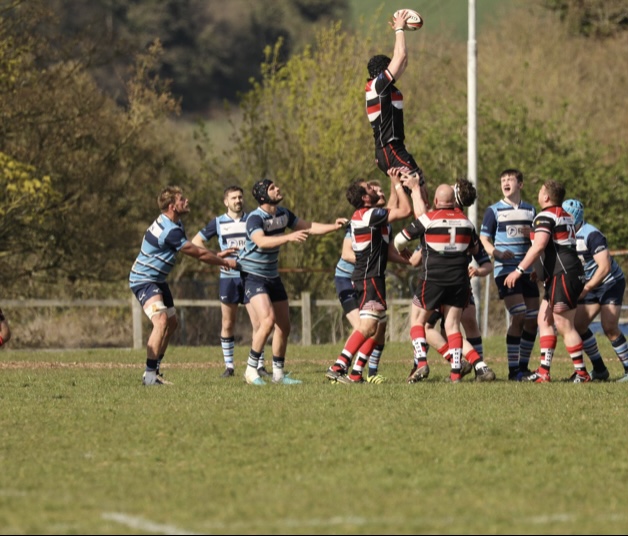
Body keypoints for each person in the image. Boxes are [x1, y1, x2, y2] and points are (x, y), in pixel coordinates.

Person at [238, 179, 347, 386]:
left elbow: (309, 227)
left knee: (284, 326)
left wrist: (335, 226)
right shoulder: (255, 218)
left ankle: (278, 374)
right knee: (267, 321)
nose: (278, 189)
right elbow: (261, 241)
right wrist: (288, 238)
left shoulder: (283, 214)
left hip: (272, 275)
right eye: (272, 188)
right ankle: (251, 371)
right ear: (262, 196)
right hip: (252, 275)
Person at [129, 186, 237, 386]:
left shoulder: (174, 224)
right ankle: (150, 376)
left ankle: (155, 371)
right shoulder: (169, 230)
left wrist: (216, 254)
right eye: (182, 199)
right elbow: (198, 253)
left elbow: (196, 249)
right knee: (161, 322)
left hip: (158, 280)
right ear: (172, 206)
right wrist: (225, 262)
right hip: (143, 279)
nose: (186, 201)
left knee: (171, 324)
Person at [326, 169, 412, 384]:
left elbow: (391, 210)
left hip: (373, 276)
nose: (374, 189)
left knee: (378, 325)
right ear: (364, 197)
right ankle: (338, 367)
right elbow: (406, 210)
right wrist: (398, 184)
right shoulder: (369, 215)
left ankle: (356, 373)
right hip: (369, 277)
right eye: (370, 188)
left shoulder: (369, 215)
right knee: (366, 327)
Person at [407, 178, 495, 382]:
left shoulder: (435, 221)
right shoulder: (465, 223)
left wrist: (414, 190)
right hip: (458, 283)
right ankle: (477, 366)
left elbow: (415, 255)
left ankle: (432, 363)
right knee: (460, 324)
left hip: (437, 282)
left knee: (426, 326)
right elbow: (482, 257)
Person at [504, 180, 590, 383]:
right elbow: (557, 247)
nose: (538, 193)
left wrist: (519, 270)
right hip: (562, 273)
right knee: (544, 319)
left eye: (541, 190)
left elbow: (540, 245)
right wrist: (539, 270)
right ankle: (544, 371)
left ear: (546, 197)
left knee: (564, 324)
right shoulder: (565, 216)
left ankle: (582, 373)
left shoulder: (545, 215)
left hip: (563, 275)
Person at [192, 186, 269, 378]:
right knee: (228, 322)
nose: (238, 200)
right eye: (234, 198)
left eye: (240, 197)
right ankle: (229, 367)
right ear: (226, 201)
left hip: (250, 276)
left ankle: (259, 365)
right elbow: (195, 242)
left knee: (259, 322)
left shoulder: (253, 219)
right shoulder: (218, 222)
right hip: (228, 279)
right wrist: (217, 256)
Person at [480, 169, 539, 381]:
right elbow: (484, 239)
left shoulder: (531, 211)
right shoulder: (493, 211)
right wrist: (495, 252)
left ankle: (523, 368)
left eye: (510, 179)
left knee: (533, 320)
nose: (505, 182)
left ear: (520, 184)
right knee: (520, 314)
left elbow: (537, 242)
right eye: (502, 179)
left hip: (527, 271)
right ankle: (514, 371)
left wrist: (537, 269)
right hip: (505, 270)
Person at [365, 10, 428, 204]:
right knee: (419, 188)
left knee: (419, 192)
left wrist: (402, 33)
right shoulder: (377, 85)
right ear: (383, 71)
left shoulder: (384, 88)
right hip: (389, 148)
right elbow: (399, 57)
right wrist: (399, 28)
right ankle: (427, 231)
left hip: (394, 148)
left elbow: (403, 60)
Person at [562, 199, 628, 383]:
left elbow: (605, 267)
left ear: (573, 218)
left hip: (609, 283)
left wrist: (587, 288)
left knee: (610, 327)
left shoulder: (591, 235)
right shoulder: (563, 235)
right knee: (579, 326)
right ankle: (599, 370)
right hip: (589, 284)